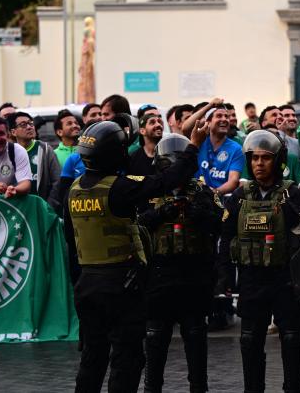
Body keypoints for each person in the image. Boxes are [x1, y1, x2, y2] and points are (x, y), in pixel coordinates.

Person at [69, 114, 209, 392]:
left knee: (92, 358)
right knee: (126, 358)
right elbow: (169, 180)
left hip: (87, 285)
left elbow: (70, 246)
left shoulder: (73, 191)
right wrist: (194, 144)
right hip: (121, 284)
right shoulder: (119, 188)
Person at [217, 130, 300, 393]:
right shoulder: (240, 196)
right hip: (251, 279)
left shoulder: (292, 194)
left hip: (284, 279)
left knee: (291, 340)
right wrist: (224, 277)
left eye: (265, 158)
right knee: (249, 341)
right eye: (254, 158)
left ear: (277, 160)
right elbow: (226, 237)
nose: (259, 163)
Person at [138, 133, 222, 393]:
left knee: (195, 334)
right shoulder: (149, 191)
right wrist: (161, 213)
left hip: (194, 275)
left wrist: (198, 213)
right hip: (160, 275)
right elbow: (136, 225)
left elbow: (220, 223)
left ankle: (199, 387)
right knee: (155, 337)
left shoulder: (203, 191)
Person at [182, 98, 244, 195]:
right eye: (219, 116)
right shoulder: (199, 141)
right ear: (208, 122)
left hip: (221, 203)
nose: (224, 119)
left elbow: (233, 181)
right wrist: (210, 105)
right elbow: (185, 128)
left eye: (226, 117)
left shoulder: (236, 148)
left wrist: (213, 194)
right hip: (195, 200)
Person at [8, 112, 61, 210]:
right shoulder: (9, 152)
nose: (29, 127)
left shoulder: (45, 149)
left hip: (42, 208)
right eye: (23, 125)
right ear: (13, 132)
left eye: (31, 123)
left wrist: (48, 207)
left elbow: (57, 181)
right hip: (17, 210)